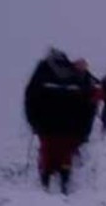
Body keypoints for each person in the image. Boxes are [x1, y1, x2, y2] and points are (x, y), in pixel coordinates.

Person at [24, 49, 99, 193]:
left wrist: (33, 122)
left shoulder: (42, 71)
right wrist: (84, 129)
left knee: (47, 150)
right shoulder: (73, 72)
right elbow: (87, 100)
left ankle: (45, 180)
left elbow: (30, 98)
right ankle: (64, 180)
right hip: (70, 124)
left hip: (45, 124)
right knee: (65, 152)